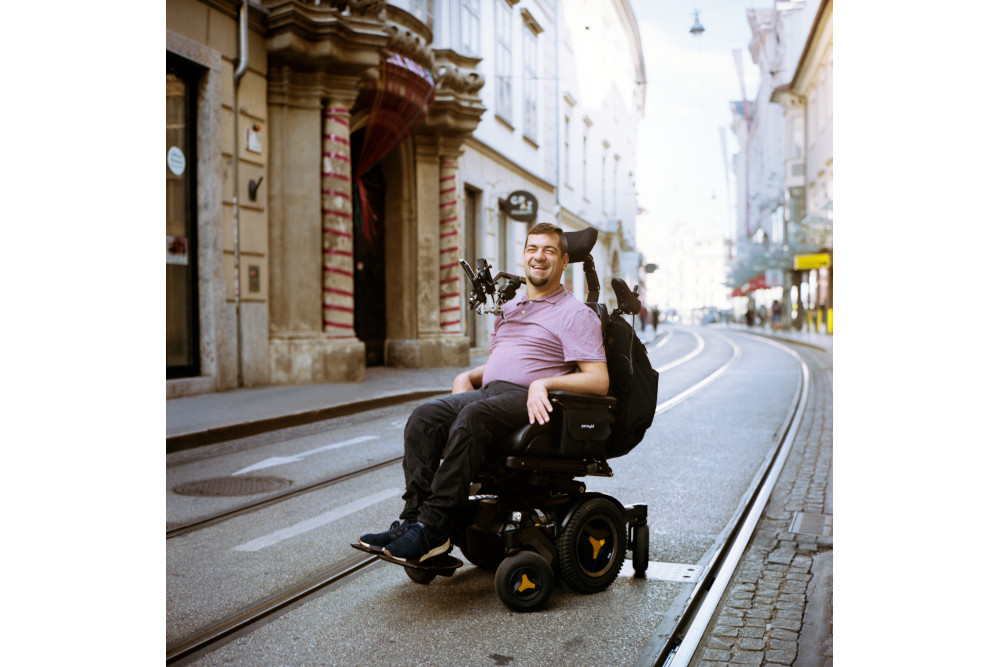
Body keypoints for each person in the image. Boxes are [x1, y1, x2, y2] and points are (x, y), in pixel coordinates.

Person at [357, 223, 609, 563]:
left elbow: (598, 380)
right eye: (532, 249)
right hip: (492, 391)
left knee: (473, 417)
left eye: (549, 250)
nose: (539, 256)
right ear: (523, 257)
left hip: (531, 399)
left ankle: (434, 528)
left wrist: (544, 384)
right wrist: (470, 376)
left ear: (563, 262)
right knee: (424, 417)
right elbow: (502, 361)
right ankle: (414, 521)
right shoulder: (512, 308)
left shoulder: (575, 314)